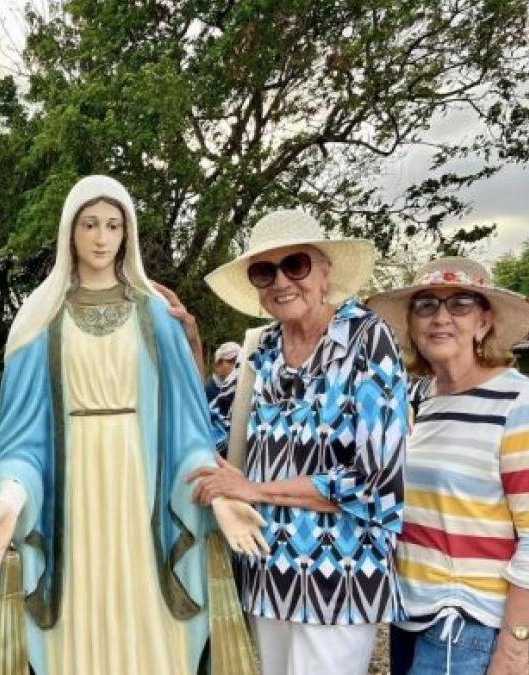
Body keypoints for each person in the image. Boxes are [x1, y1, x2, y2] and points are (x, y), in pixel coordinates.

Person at [0, 175, 266, 675]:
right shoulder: (40, 320)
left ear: (127, 233)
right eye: (90, 224)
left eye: (113, 224)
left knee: (148, 623)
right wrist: (10, 500)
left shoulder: (156, 316)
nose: (101, 237)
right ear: (70, 232)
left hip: (145, 498)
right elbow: (23, 437)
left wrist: (218, 495)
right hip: (72, 505)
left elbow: (187, 432)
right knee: (79, 629)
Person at [190, 209, 408, 675]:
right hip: (268, 571)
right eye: (264, 271)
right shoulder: (261, 350)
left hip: (339, 575)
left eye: (296, 265)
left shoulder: (368, 340)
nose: (281, 281)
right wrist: (188, 346)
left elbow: (374, 482)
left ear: (325, 270)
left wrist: (258, 490)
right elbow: (213, 436)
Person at [366, 258, 529, 675]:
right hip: (410, 612)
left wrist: (514, 645)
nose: (440, 318)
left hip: (466, 622)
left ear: (484, 322)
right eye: (425, 306)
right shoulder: (422, 398)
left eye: (460, 305)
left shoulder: (520, 403)